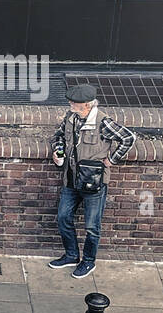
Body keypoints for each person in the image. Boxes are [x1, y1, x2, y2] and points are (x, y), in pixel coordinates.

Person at [48, 83, 136, 279]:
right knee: (63, 218)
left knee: (92, 227)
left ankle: (88, 262)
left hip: (93, 183)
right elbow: (58, 136)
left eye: (74, 102)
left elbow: (128, 138)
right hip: (70, 179)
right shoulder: (71, 117)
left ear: (86, 105)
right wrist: (58, 150)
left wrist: (112, 159)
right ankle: (71, 255)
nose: (70, 104)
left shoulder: (103, 122)